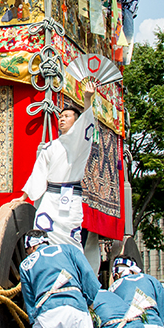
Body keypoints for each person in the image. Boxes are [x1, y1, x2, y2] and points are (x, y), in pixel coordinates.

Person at [19, 80, 100, 270]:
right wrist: (24, 197)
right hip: (49, 198)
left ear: (76, 121)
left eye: (67, 116)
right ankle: (47, 270)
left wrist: (87, 98)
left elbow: (87, 122)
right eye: (61, 116)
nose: (62, 119)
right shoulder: (50, 146)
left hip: (69, 197)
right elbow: (38, 173)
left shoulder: (79, 142)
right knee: (42, 232)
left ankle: (76, 274)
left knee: (69, 237)